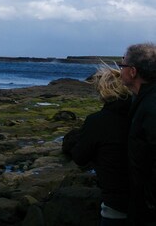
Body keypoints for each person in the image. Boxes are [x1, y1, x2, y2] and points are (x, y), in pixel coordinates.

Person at [64, 66, 132, 225]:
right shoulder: (141, 113)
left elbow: (80, 157)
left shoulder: (97, 121)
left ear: (103, 91)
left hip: (116, 206)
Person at [120, 43, 156, 225]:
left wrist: (149, 204)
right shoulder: (144, 100)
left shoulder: (151, 106)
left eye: (122, 65)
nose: (120, 70)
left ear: (132, 72)